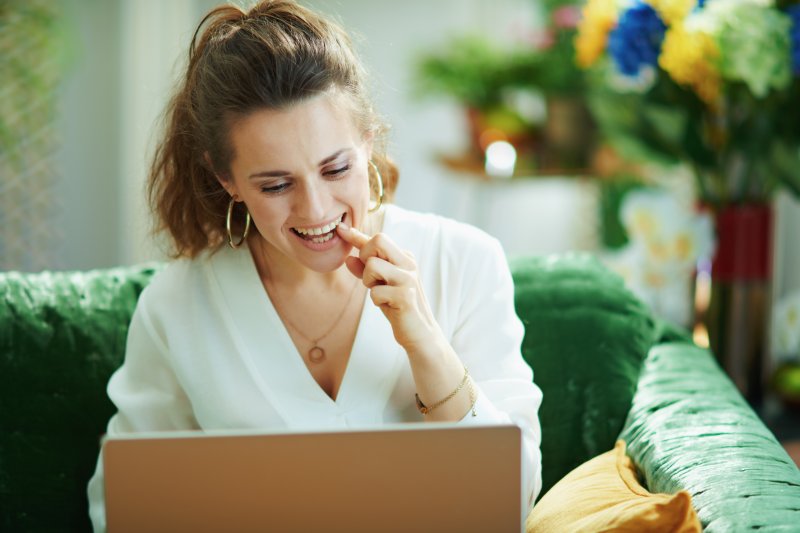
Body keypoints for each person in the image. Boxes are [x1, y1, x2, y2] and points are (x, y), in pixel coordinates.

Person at [87, 0, 543, 529]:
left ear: (367, 144)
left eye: (336, 168)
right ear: (226, 179)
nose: (316, 210)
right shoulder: (178, 304)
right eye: (276, 184)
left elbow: (513, 499)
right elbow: (122, 511)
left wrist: (426, 344)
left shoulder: (465, 262)